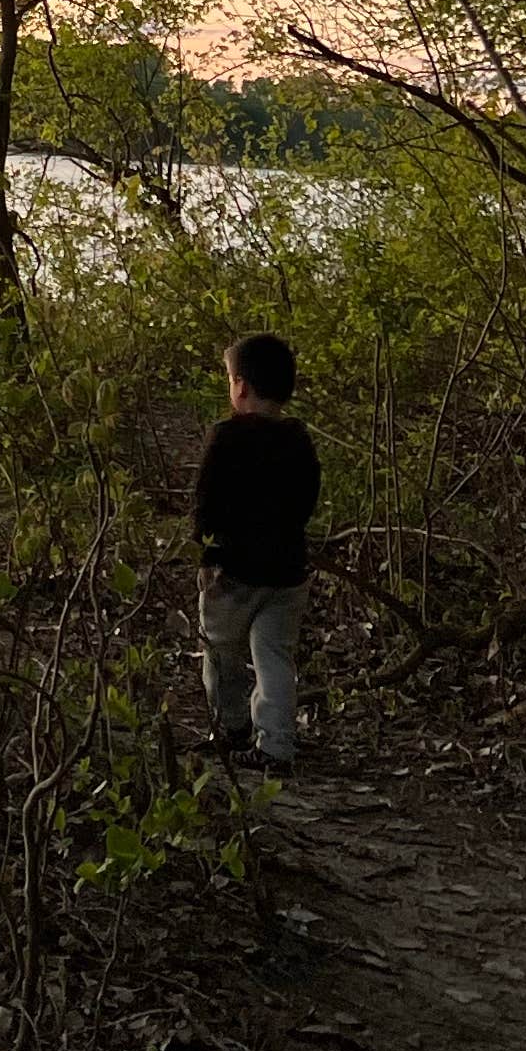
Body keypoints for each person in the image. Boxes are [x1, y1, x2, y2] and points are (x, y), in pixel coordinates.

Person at [194, 332, 319, 776]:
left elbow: (205, 502)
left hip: (235, 571)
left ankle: (231, 728)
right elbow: (307, 499)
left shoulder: (225, 437)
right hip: (288, 570)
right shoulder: (299, 439)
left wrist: (205, 553)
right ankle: (276, 744)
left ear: (241, 385)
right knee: (274, 656)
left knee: (221, 651)